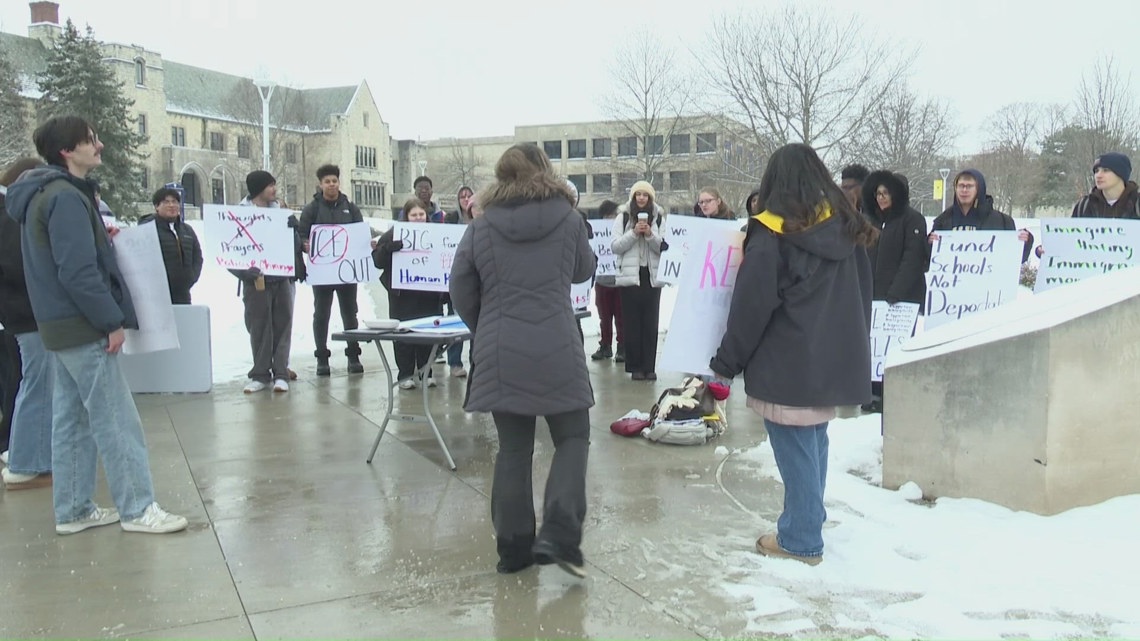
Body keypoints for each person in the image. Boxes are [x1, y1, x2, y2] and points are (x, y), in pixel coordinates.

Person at [6, 115, 187, 534]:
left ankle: (73, 509)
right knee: (116, 419)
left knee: (72, 417)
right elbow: (77, 271)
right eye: (91, 140)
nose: (100, 146)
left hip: (58, 326)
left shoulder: (43, 195)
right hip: (83, 325)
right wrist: (111, 321)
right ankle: (139, 508)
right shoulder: (65, 198)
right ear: (67, 151)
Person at [708, 143, 875, 566]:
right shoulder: (845, 227)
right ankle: (810, 517)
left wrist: (726, 363)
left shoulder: (772, 234)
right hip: (830, 358)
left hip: (787, 361)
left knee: (796, 446)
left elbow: (752, 307)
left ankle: (800, 537)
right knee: (814, 439)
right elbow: (862, 296)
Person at [449, 143, 595, 578]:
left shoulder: (481, 225)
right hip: (557, 344)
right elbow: (583, 270)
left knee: (514, 448)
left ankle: (513, 550)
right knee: (573, 438)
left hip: (500, 347)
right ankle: (560, 530)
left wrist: (486, 324)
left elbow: (460, 286)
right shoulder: (569, 220)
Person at [1, 156, 55, 490]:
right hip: (27, 312)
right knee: (35, 383)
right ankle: (24, 460)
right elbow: (19, 267)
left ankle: (23, 452)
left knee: (27, 383)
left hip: (16, 313)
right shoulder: (9, 213)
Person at [860, 171, 928, 413]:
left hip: (902, 299)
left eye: (886, 193)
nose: (881, 198)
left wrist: (895, 292)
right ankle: (872, 392)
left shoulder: (913, 220)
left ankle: (892, 393)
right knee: (873, 346)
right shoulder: (869, 220)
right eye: (878, 193)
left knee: (895, 348)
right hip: (872, 296)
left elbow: (913, 258)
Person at [233, 170, 297, 393]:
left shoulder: (280, 212)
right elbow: (229, 248)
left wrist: (293, 230)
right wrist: (243, 273)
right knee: (259, 326)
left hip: (281, 278)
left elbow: (291, 245)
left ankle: (281, 372)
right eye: (270, 185)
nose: (274, 190)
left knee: (282, 324)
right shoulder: (239, 214)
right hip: (256, 280)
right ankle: (260, 373)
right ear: (259, 188)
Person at [372, 199, 445, 389]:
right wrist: (388, 248)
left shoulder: (437, 233)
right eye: (414, 215)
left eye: (421, 214)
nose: (418, 218)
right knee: (403, 336)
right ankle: (405, 375)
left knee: (426, 335)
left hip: (428, 295)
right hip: (402, 297)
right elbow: (377, 261)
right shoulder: (393, 234)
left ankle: (425, 372)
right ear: (406, 216)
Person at [299, 164, 365, 376]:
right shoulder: (312, 209)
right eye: (327, 181)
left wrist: (367, 245)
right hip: (322, 273)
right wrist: (304, 244)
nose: (331, 185)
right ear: (320, 184)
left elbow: (360, 234)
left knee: (350, 314)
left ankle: (353, 356)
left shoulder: (351, 208)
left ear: (339, 182)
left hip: (346, 273)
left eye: (334, 181)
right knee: (321, 315)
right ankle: (322, 358)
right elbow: (301, 235)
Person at [611, 180, 666, 381]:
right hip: (629, 277)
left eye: (645, 194)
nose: (641, 198)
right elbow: (615, 246)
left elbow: (663, 247)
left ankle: (649, 366)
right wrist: (633, 233)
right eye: (638, 194)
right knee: (632, 323)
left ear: (650, 198)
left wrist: (650, 235)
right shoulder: (623, 216)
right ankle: (634, 366)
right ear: (633, 197)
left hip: (651, 277)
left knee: (651, 323)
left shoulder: (659, 218)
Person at [928, 169, 1033, 263]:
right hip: (951, 282)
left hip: (989, 283)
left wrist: (1025, 242)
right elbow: (929, 260)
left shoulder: (1002, 221)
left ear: (979, 189)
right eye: (961, 186)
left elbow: (1014, 258)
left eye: (969, 186)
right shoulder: (943, 220)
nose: (964, 190)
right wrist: (929, 243)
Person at [137, 187, 203, 304]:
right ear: (157, 206)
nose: (171, 205)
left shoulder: (187, 230)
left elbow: (197, 257)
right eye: (166, 202)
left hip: (182, 294)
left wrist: (191, 277)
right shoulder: (147, 228)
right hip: (155, 296)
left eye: (175, 202)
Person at [442, 185, 475, 378]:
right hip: (455, 276)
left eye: (469, 196)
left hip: (476, 279)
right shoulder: (451, 219)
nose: (465, 199)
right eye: (462, 196)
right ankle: (454, 362)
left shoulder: (480, 219)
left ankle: (475, 361)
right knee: (455, 321)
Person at [591, 200, 624, 362]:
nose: (610, 218)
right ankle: (605, 345)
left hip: (619, 281)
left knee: (621, 317)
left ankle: (622, 347)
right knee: (604, 317)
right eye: (607, 216)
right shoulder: (597, 232)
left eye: (613, 215)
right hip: (602, 281)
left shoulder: (622, 230)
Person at [1072, 152, 1139, 218]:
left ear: (1121, 175)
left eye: (1106, 170)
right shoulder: (1085, 205)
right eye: (1096, 171)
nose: (1098, 175)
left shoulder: (1137, 204)